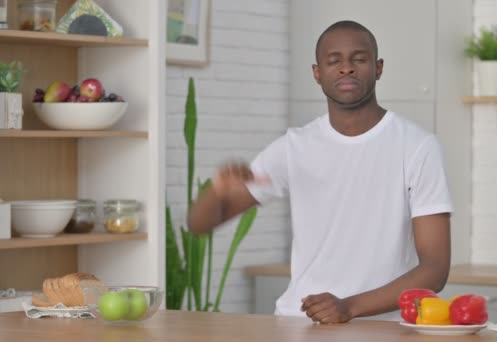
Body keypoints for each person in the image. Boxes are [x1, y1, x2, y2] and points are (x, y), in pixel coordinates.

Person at [188, 20, 452, 324]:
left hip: (382, 328)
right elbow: (199, 224)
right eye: (334, 61)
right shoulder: (293, 147)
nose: (346, 68)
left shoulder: (418, 147)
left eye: (359, 59)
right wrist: (217, 191)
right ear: (317, 73)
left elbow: (435, 269)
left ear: (378, 68)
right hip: (299, 323)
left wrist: (348, 307)